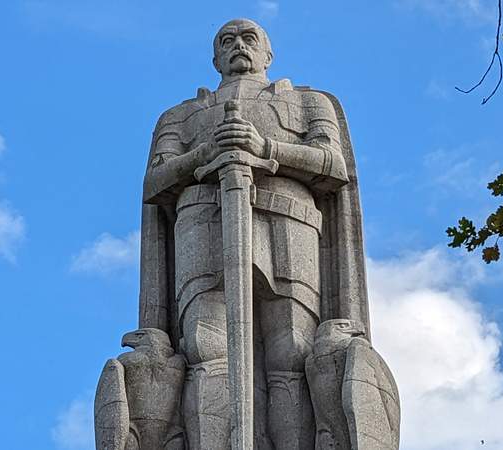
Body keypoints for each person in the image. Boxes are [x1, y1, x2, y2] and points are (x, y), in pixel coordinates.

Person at [141, 18, 365, 449]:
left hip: (289, 224)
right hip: (203, 224)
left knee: (292, 353)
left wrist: (267, 149)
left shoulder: (307, 102)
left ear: (267, 54)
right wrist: (205, 153)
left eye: (248, 39)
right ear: (215, 58)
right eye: (226, 41)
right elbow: (155, 183)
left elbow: (333, 165)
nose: (237, 45)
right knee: (206, 349)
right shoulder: (181, 116)